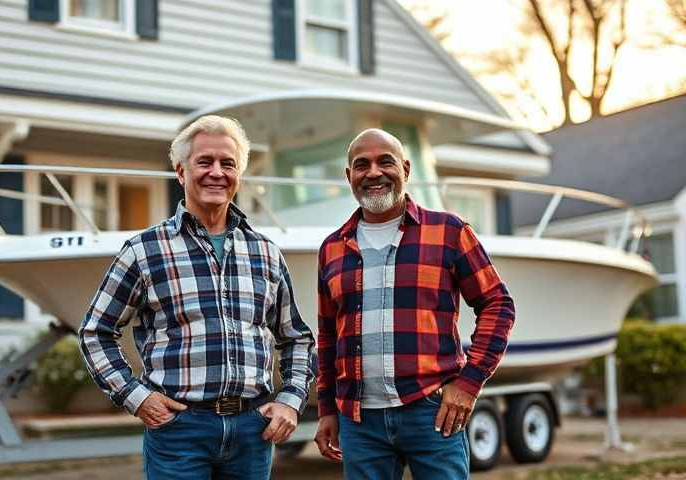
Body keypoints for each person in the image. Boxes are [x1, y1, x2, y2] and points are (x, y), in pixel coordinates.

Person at [79, 115, 316, 480]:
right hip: (179, 430)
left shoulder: (266, 253)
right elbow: (95, 332)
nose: (216, 172)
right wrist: (135, 396)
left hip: (253, 430)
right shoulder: (144, 250)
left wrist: (292, 399)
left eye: (228, 163)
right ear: (180, 172)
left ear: (239, 175)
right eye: (204, 162)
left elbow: (296, 338)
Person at [313, 128, 515, 479]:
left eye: (385, 161)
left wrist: (469, 384)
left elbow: (497, 304)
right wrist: (327, 409)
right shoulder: (332, 248)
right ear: (349, 176)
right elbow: (328, 336)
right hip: (359, 422)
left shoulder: (449, 231)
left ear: (406, 169)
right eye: (362, 165)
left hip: (433, 411)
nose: (373, 172)